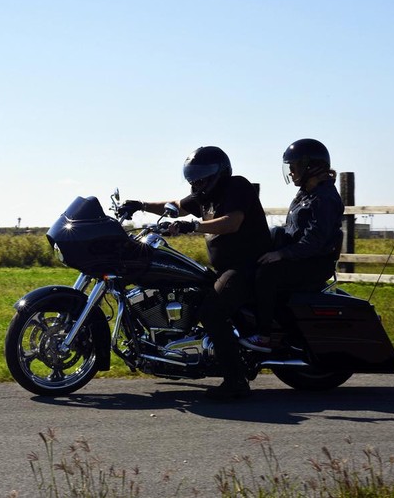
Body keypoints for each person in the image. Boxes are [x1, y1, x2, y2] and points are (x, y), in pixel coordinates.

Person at [118, 146, 271, 400]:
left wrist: (193, 225)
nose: (195, 180)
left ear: (220, 171)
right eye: (193, 174)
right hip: (224, 268)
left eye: (202, 174)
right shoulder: (204, 195)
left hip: (246, 267)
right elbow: (176, 206)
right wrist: (140, 205)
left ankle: (236, 381)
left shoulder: (236, 187)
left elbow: (232, 222)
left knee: (211, 311)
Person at [242, 138, 345, 352]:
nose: (291, 172)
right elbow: (292, 229)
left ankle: (263, 335)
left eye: (294, 166)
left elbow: (314, 241)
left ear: (310, 166)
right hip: (302, 257)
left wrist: (281, 254)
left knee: (266, 275)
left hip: (314, 262)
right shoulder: (307, 193)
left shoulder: (324, 198)